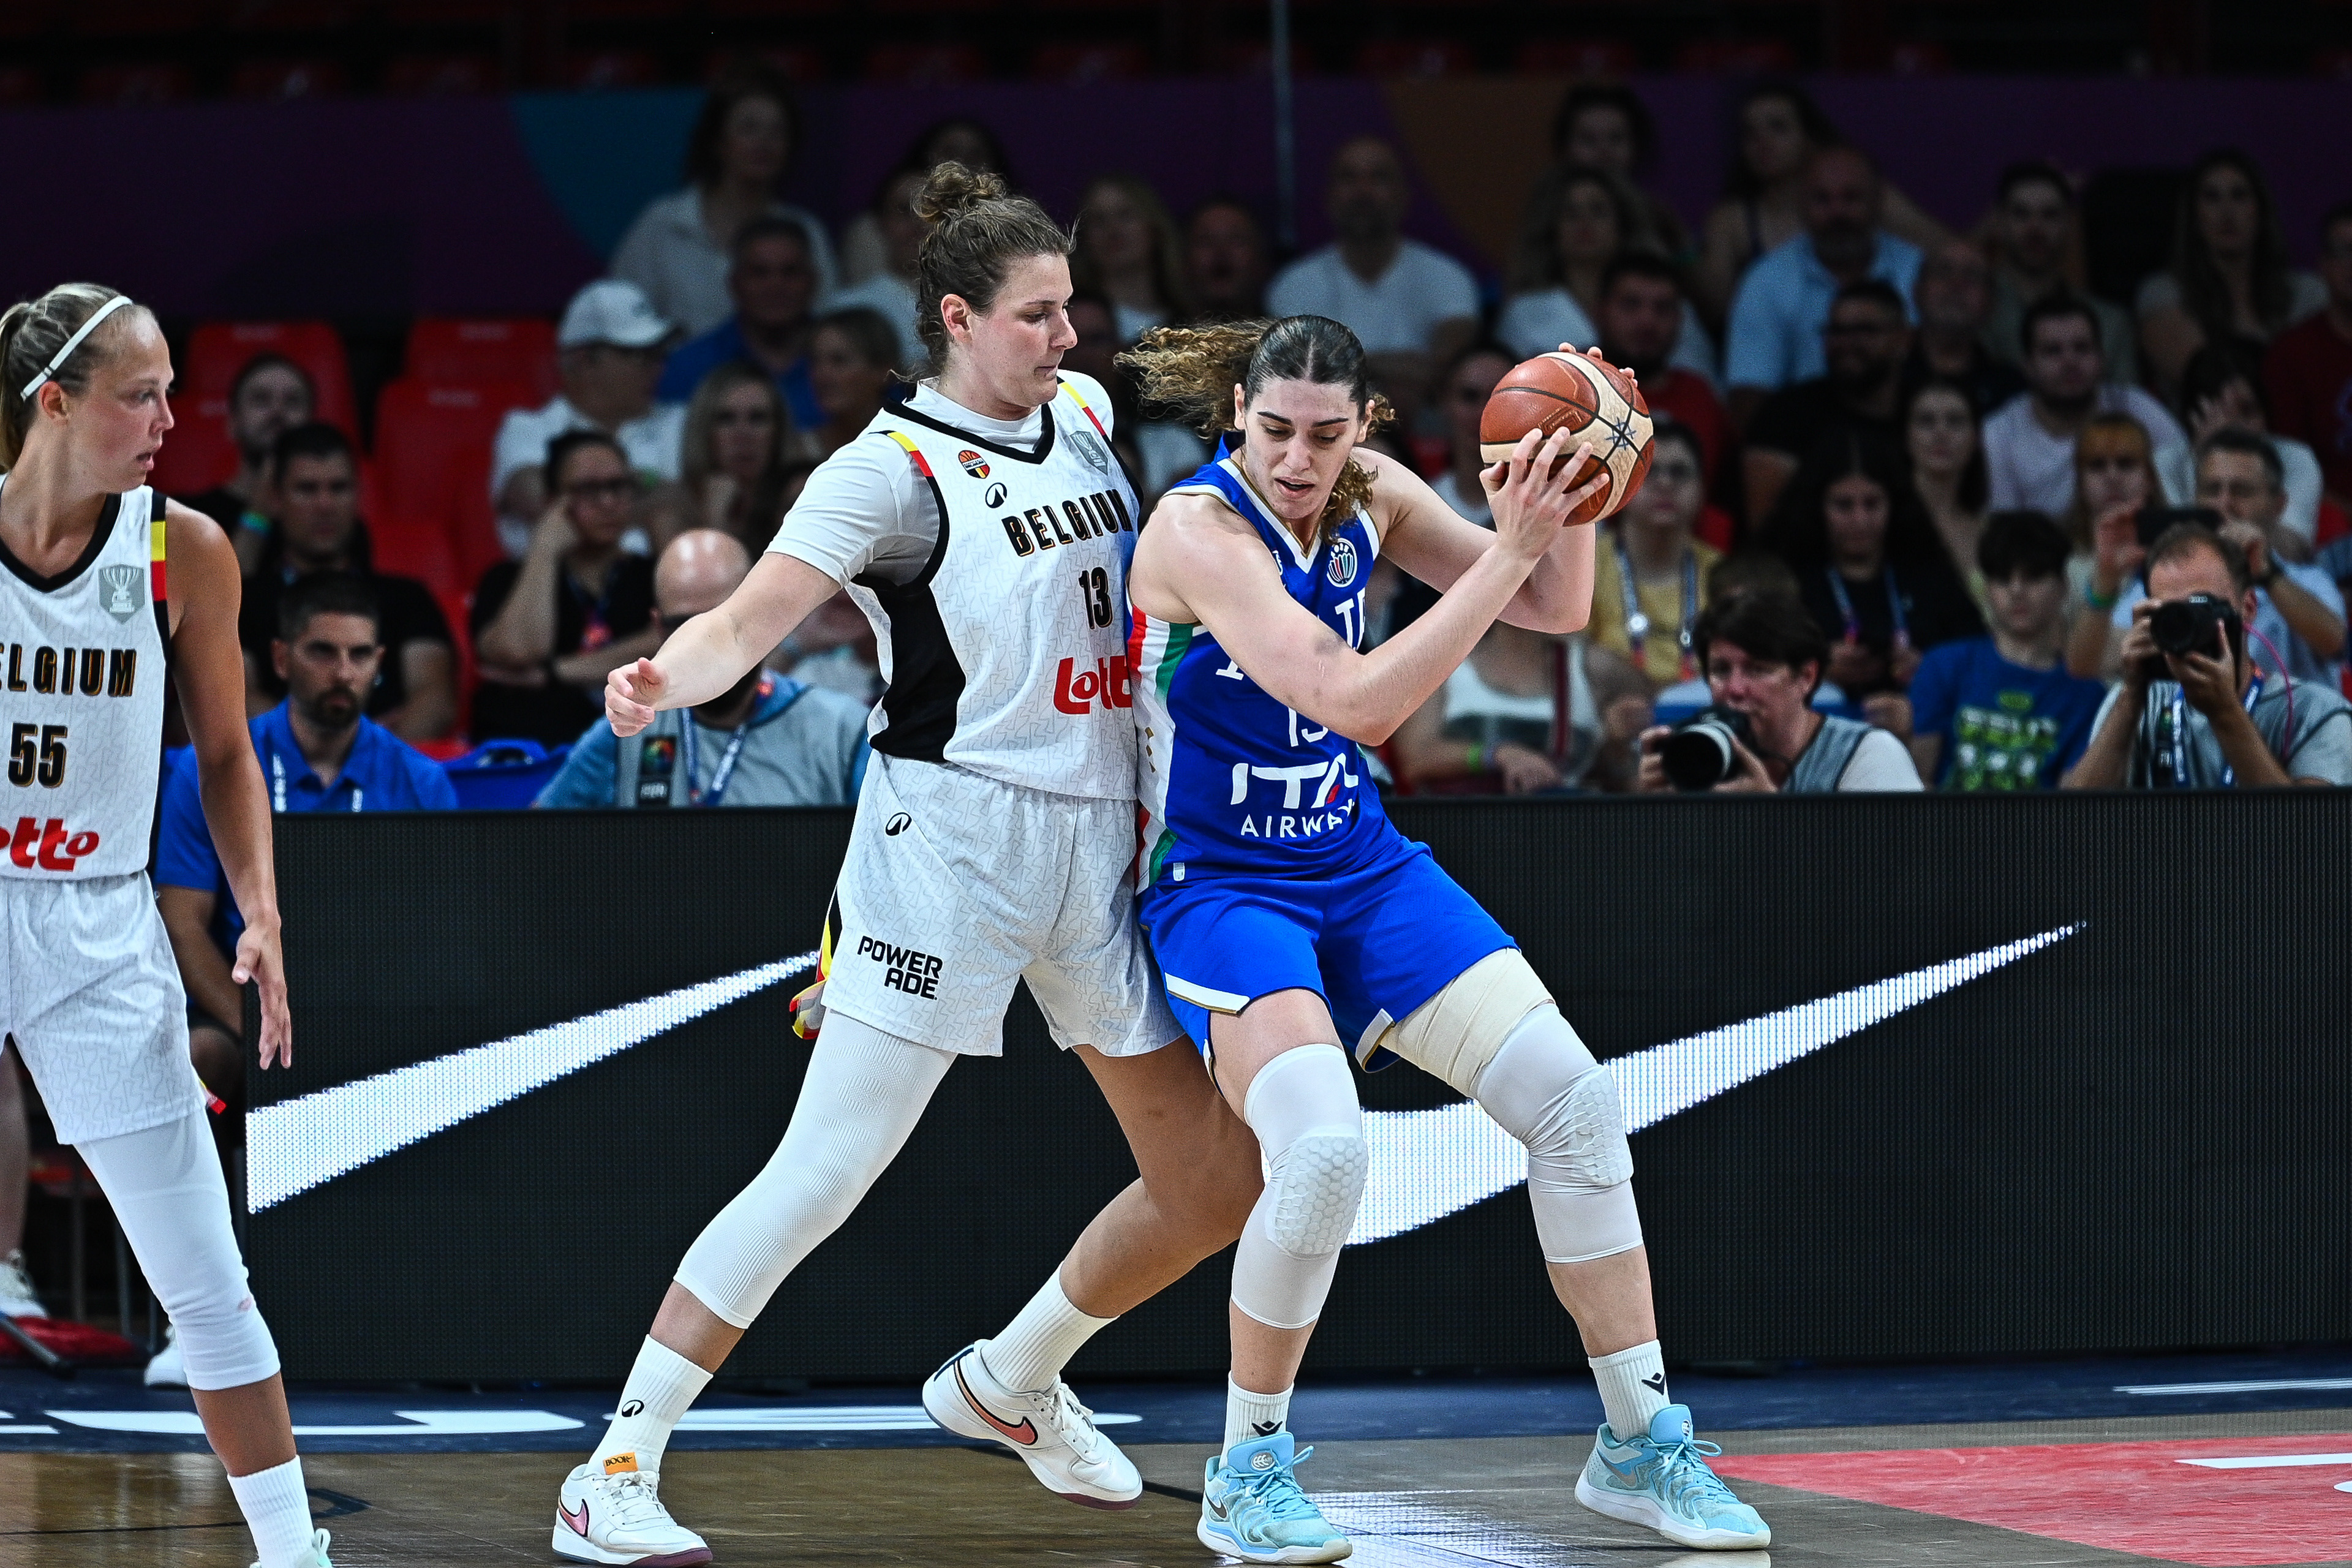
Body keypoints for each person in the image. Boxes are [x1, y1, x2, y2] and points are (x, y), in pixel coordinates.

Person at [549, 164, 1265, 1567]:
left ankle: (1012, 1376)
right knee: (823, 1168)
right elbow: (745, 618)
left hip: (1094, 839)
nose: (1067, 334)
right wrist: (658, 679)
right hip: (945, 846)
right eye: (1036, 313)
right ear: (957, 318)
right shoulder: (886, 470)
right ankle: (614, 1463)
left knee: (1212, 1178)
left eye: (1069, 307)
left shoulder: (1086, 413)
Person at [1119, 315, 1768, 1561]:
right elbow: (1356, 699)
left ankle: (1639, 1443)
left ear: (1363, 427)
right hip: (1224, 883)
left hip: (1358, 862)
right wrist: (1510, 547)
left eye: (1324, 435)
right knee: (1320, 1152)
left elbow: (1558, 603)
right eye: (1274, 430)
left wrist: (1572, 478)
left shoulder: (1372, 488)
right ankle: (1246, 1466)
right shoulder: (1197, 531)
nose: (1297, 460)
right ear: (1236, 414)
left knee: (1578, 1105)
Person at [0, 282, 325, 1567]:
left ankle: (294, 1552)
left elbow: (228, 755)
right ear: (55, 403)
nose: (170, 420)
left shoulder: (180, 548)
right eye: (141, 395)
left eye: (172, 392)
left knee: (203, 1277)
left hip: (98, 920)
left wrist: (263, 910)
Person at [157, 571, 456, 1125]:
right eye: (322, 652)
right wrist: (263, 1026)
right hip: (239, 1014)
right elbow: (181, 924)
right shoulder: (212, 768)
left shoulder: (422, 782)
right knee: (194, 1061)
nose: (343, 672)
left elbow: (438, 935)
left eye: (360, 655)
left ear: (379, 663)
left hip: (374, 1016)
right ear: (281, 658)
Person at [534, 531, 867, 810]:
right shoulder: (628, 728)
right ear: (659, 627)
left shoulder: (842, 730)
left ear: (760, 616)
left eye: (724, 623)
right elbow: (537, 843)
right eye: (684, 625)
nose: (705, 646)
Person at [2064, 522, 2352, 788]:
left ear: (2248, 608)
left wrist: (2225, 713)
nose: (2187, 624)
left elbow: (2305, 826)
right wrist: (2132, 695)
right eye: (2171, 612)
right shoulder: (2136, 702)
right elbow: (2076, 818)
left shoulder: (2316, 713)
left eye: (2202, 606)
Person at [236, 423, 457, 742]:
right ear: (276, 499)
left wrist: (362, 757)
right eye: (307, 489)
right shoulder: (244, 602)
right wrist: (320, 752)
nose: (325, 505)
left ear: (358, 495)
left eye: (338, 488)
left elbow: (435, 701)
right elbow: (234, 698)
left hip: (386, 766)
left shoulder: (408, 598)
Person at [1266, 136, 1479, 435]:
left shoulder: (1448, 278)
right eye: (1349, 178)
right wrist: (1403, 367)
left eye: (1378, 178)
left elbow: (1447, 375)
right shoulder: (1293, 285)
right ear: (1329, 196)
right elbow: (1294, 381)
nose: (1362, 192)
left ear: (1404, 194)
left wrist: (1342, 364)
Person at [1770, 431, 1984, 720]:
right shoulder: (1788, 582)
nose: (1860, 520)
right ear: (1817, 506)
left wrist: (1931, 669)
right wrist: (1816, 670)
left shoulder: (1929, 575)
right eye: (1844, 505)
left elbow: (1978, 656)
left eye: (1872, 504)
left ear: (1894, 504)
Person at [1695, 81, 1944, 328]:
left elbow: (1945, 251)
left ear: (1810, 137)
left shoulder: (1867, 192)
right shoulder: (1732, 219)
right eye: (1750, 133)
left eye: (1777, 127)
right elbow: (1714, 310)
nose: (1762, 141)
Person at [611, 68, 837, 336]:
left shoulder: (806, 231)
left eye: (777, 131)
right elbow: (621, 321)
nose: (764, 143)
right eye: (749, 128)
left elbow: (828, 324)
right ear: (718, 140)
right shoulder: (663, 225)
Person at [473, 431, 662, 747]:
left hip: (635, 746)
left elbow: (670, 644)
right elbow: (518, 651)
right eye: (588, 490)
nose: (608, 502)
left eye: (618, 486)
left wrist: (553, 673)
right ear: (553, 502)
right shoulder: (505, 578)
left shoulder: (655, 573)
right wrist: (545, 549)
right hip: (535, 750)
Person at [1634, 590, 1924, 793]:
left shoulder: (1869, 754)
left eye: (1758, 670)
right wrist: (1658, 815)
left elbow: (1885, 865)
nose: (1735, 689)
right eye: (1721, 671)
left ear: (1806, 678)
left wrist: (1770, 816)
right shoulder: (1698, 758)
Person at [1724, 144, 1924, 427]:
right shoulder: (1766, 281)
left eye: (1851, 198)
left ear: (1879, 201)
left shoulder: (1917, 272)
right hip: (1804, 437)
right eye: (1822, 199)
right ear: (1800, 205)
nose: (1837, 212)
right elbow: (1749, 397)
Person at [1906, 511, 2106, 790]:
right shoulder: (1942, 665)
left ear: (2063, 586)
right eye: (2002, 578)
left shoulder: (2087, 694)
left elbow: (2074, 804)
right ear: (1986, 587)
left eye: (2033, 577)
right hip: (1944, 819)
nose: (2016, 590)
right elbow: (1917, 782)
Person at [492, 280, 684, 558]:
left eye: (658, 355)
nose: (657, 369)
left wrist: (586, 500)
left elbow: (693, 503)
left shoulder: (677, 422)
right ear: (582, 360)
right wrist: (654, 492)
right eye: (638, 355)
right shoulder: (528, 429)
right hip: (555, 582)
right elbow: (539, 501)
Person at [1500, 164, 1716, 386]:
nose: (1584, 223)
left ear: (1623, 224)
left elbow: (1699, 388)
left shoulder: (1668, 304)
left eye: (1598, 211)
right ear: (1552, 227)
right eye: (1570, 213)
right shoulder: (1523, 312)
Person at [2136, 148, 2325, 400]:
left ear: (2260, 211)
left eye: (2240, 196)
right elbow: (2207, 378)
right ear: (2194, 216)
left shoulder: (2308, 293)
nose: (2227, 213)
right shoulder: (2163, 293)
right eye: (2212, 198)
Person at [1981, 293, 2187, 518]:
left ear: (2101, 357)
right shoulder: (1999, 434)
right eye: (2053, 351)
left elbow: (2183, 493)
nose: (2070, 361)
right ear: (2027, 365)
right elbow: (2004, 529)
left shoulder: (2135, 407)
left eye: (2082, 348)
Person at [1743, 278, 1912, 526]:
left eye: (1864, 331)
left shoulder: (1927, 413)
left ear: (1904, 339)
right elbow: (1765, 528)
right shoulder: (1787, 416)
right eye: (1836, 331)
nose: (1846, 343)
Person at [1593, 254, 1733, 521]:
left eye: (1662, 308)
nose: (1647, 321)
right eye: (1631, 305)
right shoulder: (1568, 386)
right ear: (1600, 311)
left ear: (1680, 318)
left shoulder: (1700, 398)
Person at [1588, 421, 1721, 700]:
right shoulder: (1586, 568)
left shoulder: (1723, 574)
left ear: (1702, 488)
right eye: (1649, 471)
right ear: (1620, 483)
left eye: (1680, 472)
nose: (1665, 484)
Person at [656, 217, 825, 430]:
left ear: (813, 281)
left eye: (790, 272)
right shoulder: (686, 368)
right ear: (734, 282)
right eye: (759, 273)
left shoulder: (850, 366)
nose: (776, 286)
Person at [1981, 161, 2138, 383]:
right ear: (2000, 222)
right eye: (2021, 214)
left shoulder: (2110, 324)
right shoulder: (1976, 314)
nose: (2035, 228)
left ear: (2069, 223)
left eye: (2050, 215)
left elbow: (2127, 402)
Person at [2162, 339, 2324, 543]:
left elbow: (2294, 549)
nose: (2234, 426)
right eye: (2220, 413)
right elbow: (2170, 547)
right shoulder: (2165, 462)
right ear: (2194, 418)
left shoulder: (2296, 458)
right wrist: (2202, 461)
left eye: (2247, 411)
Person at [835, 116, 1010, 288]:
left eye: (974, 155)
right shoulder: (867, 231)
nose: (961, 163)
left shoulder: (1005, 228)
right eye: (950, 152)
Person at [179, 353, 313, 574]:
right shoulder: (194, 517)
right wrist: (259, 511)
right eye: (261, 400)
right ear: (232, 423)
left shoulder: (329, 512)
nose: (278, 412)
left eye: (292, 402)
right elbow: (221, 590)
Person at [2263, 199, 2352, 513]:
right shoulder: (2292, 353)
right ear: (2323, 265)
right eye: (2343, 252)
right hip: (2324, 516)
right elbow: (2291, 465)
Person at [2064, 412, 2167, 679]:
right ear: (2081, 483)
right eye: (2097, 466)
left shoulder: (2181, 555)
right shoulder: (2064, 566)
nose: (2112, 477)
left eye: (2126, 464)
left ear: (2150, 478)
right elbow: (2076, 665)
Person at [1550, 81, 1690, 259]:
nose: (1604, 153)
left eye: (1616, 139)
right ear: (1565, 148)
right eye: (1588, 140)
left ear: (1637, 146)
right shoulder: (1548, 214)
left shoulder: (1659, 217)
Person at [667, 360, 793, 553]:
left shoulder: (799, 501)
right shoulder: (672, 512)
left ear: (778, 430)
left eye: (757, 418)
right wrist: (715, 519)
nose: (743, 434)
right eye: (726, 419)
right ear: (704, 430)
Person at [821, 166, 927, 370]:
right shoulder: (850, 307)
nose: (918, 223)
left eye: (931, 209)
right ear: (881, 222)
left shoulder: (980, 306)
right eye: (904, 210)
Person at [1905, 239, 2025, 417]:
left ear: (1991, 301)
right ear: (1917, 291)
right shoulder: (1883, 378)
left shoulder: (2014, 395)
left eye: (1973, 275)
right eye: (1944, 271)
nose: (1957, 285)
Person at [1072, 175, 1192, 344]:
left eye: (1125, 215)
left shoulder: (1193, 319)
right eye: (1099, 220)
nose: (1113, 230)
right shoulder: (1069, 319)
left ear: (1154, 227)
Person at [1904, 378, 1992, 604]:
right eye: (1926, 421)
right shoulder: (1883, 518)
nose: (1941, 433)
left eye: (1955, 421)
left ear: (1977, 437)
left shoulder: (1989, 530)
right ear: (1906, 436)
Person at [790, 307, 899, 463]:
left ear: (884, 371)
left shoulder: (915, 446)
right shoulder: (797, 452)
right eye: (815, 361)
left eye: (839, 361)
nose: (822, 375)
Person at [1183, 197, 1272, 323]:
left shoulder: (1288, 335)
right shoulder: (1158, 335)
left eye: (1236, 240)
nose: (1221, 252)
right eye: (1206, 241)